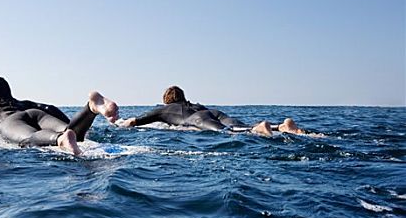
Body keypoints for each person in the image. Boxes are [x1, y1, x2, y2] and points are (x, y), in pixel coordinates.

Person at [0, 76, 119, 155]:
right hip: (35, 114)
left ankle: (60, 139)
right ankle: (91, 108)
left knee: (29, 138)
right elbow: (49, 107)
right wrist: (67, 124)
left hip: (10, 121)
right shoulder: (21, 103)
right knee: (72, 132)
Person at [119, 86, 305, 136]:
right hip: (212, 112)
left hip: (196, 119)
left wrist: (121, 123)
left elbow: (137, 121)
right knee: (239, 127)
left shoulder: (163, 110)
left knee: (228, 133)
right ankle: (281, 126)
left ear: (166, 101)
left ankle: (261, 129)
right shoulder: (194, 104)